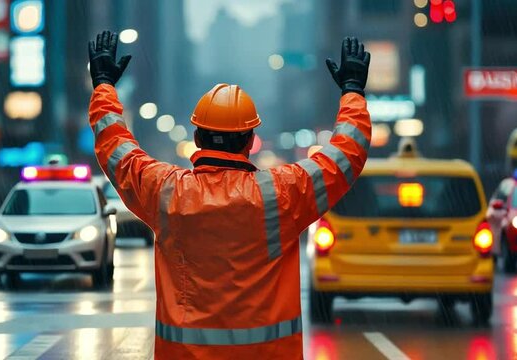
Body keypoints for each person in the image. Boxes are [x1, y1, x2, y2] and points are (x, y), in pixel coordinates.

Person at [88, 30, 371, 359]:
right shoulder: (284, 193)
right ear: (250, 141)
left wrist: (104, 85)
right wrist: (352, 92)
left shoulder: (166, 191)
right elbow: (347, 152)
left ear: (196, 136)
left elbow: (116, 149)